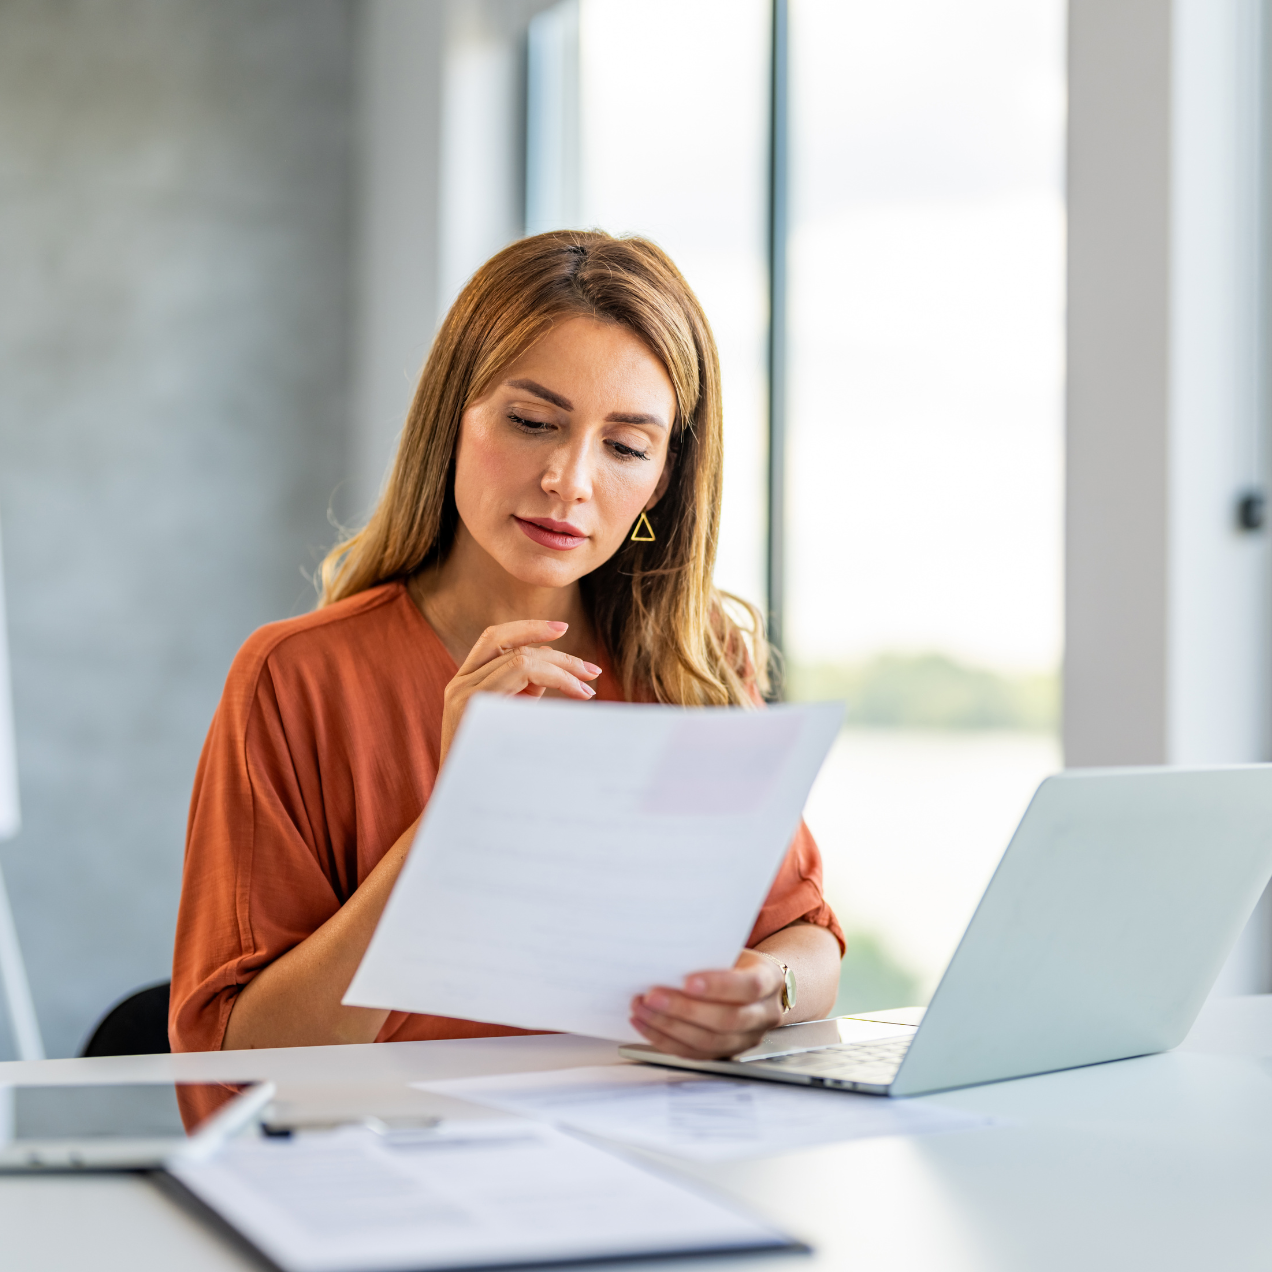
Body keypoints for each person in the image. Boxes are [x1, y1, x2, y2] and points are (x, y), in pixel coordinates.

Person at [170, 230, 844, 1059]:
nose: (570, 480)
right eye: (531, 422)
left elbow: (807, 939)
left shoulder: (694, 657)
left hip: (642, 1127)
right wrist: (457, 823)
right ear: (451, 418)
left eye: (626, 447)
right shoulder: (296, 679)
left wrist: (768, 990)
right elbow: (236, 1059)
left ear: (663, 480)